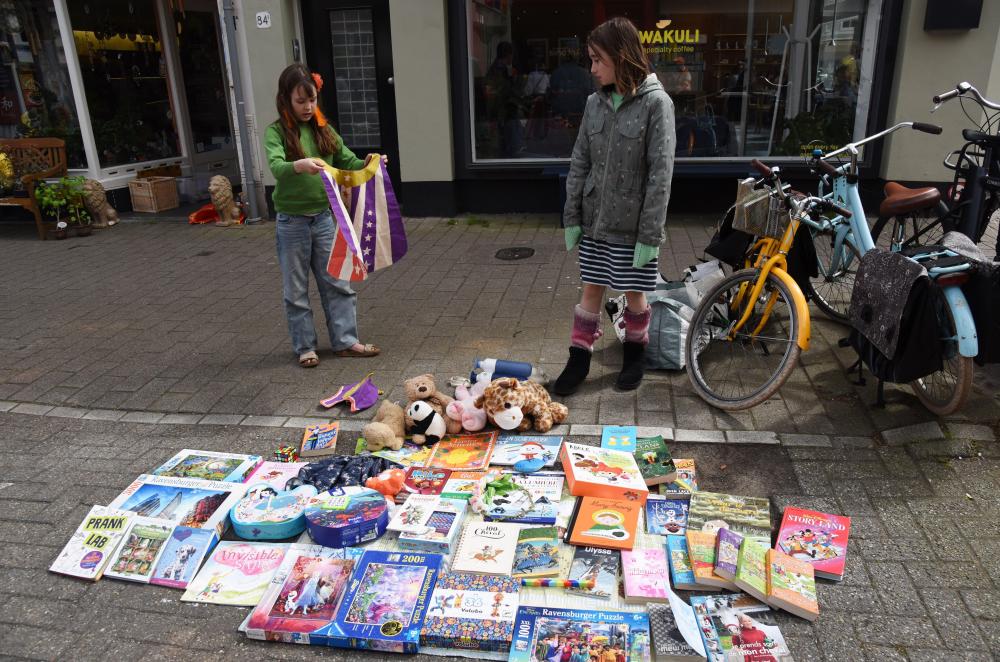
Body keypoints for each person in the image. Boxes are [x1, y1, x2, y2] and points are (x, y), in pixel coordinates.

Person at [554, 16, 676, 395]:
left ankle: (635, 354)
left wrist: (650, 235)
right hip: (595, 221)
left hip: (634, 227)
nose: (592, 69)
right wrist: (572, 216)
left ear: (621, 57)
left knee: (635, 293)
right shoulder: (595, 103)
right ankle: (579, 359)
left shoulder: (658, 104)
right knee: (590, 288)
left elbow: (661, 174)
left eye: (597, 60)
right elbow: (580, 162)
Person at [263, 64, 381, 368]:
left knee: (338, 282)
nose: (308, 107)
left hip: (325, 220)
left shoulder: (324, 128)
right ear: (286, 99)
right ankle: (305, 348)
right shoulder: (276, 133)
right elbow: (276, 167)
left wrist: (370, 162)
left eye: (312, 100)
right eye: (300, 101)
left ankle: (345, 342)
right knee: (296, 289)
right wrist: (298, 165)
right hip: (291, 222)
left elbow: (348, 160)